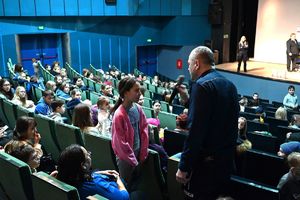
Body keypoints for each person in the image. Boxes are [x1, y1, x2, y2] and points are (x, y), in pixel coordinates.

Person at [175, 46, 239, 200]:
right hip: (225, 163)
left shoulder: (201, 85)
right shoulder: (230, 85)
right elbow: (216, 117)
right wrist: (187, 100)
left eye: (189, 64)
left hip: (206, 167)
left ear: (196, 64)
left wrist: (184, 166)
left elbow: (196, 131)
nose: (188, 68)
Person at [110, 77, 149, 190]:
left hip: (138, 154)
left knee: (135, 186)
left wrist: (142, 154)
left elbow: (144, 131)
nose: (139, 94)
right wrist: (134, 162)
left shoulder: (138, 108)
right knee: (125, 187)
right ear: (126, 93)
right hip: (125, 159)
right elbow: (120, 144)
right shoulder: (119, 114)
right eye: (136, 91)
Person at [55, 144, 129, 200]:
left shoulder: (61, 178)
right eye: (87, 154)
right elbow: (124, 197)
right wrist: (118, 179)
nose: (89, 155)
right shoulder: (95, 186)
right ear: (83, 165)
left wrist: (97, 173)